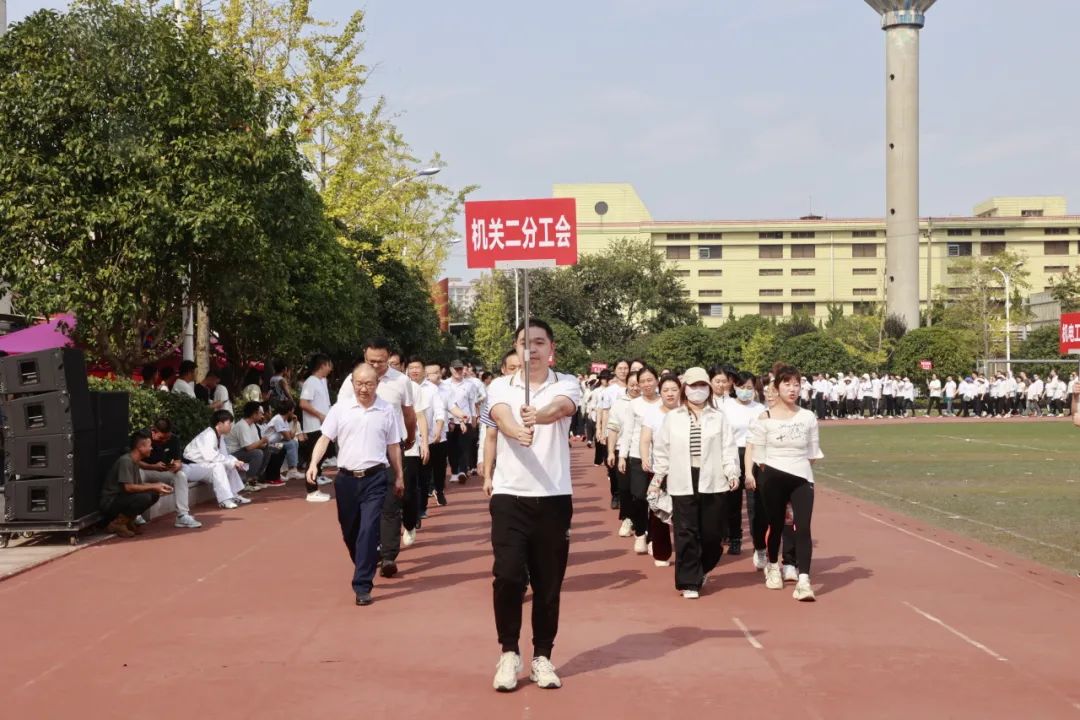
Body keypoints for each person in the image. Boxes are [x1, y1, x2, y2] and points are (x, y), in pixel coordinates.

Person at [486, 319, 580, 692]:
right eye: (526, 343)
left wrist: (538, 417)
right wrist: (516, 429)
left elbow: (561, 408)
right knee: (507, 575)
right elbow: (500, 416)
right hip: (510, 495)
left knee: (548, 582)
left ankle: (543, 655)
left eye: (540, 343)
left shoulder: (566, 382)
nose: (533, 349)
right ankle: (509, 652)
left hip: (554, 496)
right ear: (517, 348)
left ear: (551, 348)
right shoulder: (499, 385)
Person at [310, 363, 404, 607]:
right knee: (350, 531)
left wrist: (399, 475)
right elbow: (324, 438)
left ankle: (362, 585)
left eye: (369, 384)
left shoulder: (386, 411)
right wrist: (313, 464)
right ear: (352, 384)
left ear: (377, 384)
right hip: (346, 480)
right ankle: (368, 559)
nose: (364, 388)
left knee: (368, 529)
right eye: (359, 383)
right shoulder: (340, 409)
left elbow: (393, 445)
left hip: (376, 477)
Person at [651, 367, 739, 599]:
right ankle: (689, 581)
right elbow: (662, 450)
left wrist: (732, 472)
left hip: (713, 479)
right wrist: (658, 477)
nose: (697, 390)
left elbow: (728, 448)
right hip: (682, 478)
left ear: (708, 389)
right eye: (693, 386)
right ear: (685, 389)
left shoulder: (718, 417)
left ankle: (702, 567)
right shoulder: (673, 418)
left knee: (712, 534)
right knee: (685, 532)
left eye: (702, 386)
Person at [338, 339, 417, 579]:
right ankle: (372, 551)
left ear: (389, 358)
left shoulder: (401, 381)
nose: (376, 365)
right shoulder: (350, 382)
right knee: (361, 513)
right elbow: (341, 414)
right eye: (371, 361)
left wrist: (410, 438)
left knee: (391, 501)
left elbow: (408, 414)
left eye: (381, 361)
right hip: (361, 451)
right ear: (364, 356)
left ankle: (389, 556)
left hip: (391, 447)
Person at [746, 365, 823, 602]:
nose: (793, 389)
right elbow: (755, 450)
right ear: (776, 387)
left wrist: (798, 469)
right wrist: (750, 473)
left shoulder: (808, 417)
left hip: (801, 478)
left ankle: (804, 580)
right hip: (772, 477)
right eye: (787, 384)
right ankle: (772, 566)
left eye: (797, 384)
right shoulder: (765, 418)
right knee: (776, 526)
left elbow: (812, 453)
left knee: (803, 527)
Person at [617, 367, 663, 555]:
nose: (646, 384)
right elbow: (627, 431)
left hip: (661, 457)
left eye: (649, 380)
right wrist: (622, 455)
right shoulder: (634, 404)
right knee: (639, 496)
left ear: (657, 380)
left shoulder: (665, 402)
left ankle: (654, 537)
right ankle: (640, 533)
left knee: (658, 499)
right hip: (637, 455)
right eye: (642, 381)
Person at [721, 370, 766, 561]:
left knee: (755, 502)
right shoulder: (725, 406)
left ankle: (758, 544)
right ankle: (735, 537)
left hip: (754, 456)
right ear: (734, 387)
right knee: (732, 500)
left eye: (749, 387)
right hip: (732, 454)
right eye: (741, 387)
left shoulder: (760, 409)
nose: (745, 391)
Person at [639, 373, 682, 567]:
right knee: (658, 510)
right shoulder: (653, 413)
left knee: (683, 510)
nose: (670, 394)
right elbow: (645, 439)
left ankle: (685, 551)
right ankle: (661, 552)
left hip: (684, 469)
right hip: (659, 470)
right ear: (660, 392)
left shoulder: (686, 412)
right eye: (666, 390)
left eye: (674, 389)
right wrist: (645, 458)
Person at [100, 431, 173, 537]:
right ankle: (117, 524)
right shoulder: (126, 461)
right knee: (144, 497)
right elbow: (128, 488)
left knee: (154, 494)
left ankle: (128, 521)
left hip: (121, 499)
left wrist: (158, 485)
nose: (151, 448)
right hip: (110, 503)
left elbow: (138, 486)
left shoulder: (134, 461)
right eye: (149, 446)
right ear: (140, 447)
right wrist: (154, 486)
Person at [140, 418, 202, 529]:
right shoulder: (142, 437)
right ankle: (134, 514)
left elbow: (178, 460)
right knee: (137, 472)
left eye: (167, 437)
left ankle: (182, 515)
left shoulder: (173, 439)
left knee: (181, 475)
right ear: (153, 431)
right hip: (144, 470)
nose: (164, 440)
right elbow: (133, 460)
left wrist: (178, 465)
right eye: (161, 438)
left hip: (161, 472)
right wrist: (152, 466)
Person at [182, 410, 251, 510]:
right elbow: (211, 456)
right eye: (228, 423)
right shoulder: (208, 435)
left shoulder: (220, 436)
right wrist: (230, 462)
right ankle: (224, 500)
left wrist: (235, 462)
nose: (230, 426)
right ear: (219, 424)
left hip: (203, 466)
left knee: (230, 462)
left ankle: (233, 494)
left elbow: (224, 456)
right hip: (190, 467)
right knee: (219, 465)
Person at [606, 371, 640, 537]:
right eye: (632, 384)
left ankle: (642, 521)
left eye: (638, 384)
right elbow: (613, 428)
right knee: (625, 488)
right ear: (626, 384)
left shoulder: (651, 402)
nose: (635, 388)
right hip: (622, 450)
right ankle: (627, 518)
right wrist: (611, 451)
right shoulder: (619, 403)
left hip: (643, 452)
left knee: (641, 490)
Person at [299, 354, 335, 502]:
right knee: (313, 459)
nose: (331, 368)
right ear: (323, 365)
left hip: (324, 425)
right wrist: (319, 415)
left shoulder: (322, 381)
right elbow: (303, 403)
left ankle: (315, 482)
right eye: (329, 364)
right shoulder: (310, 382)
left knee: (321, 456)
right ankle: (312, 491)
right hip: (314, 426)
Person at [226, 401, 272, 492]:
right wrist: (262, 441)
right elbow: (249, 447)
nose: (262, 416)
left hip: (243, 451)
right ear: (254, 414)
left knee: (267, 451)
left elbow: (256, 444)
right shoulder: (242, 425)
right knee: (257, 453)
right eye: (260, 413)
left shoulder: (252, 425)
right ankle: (247, 482)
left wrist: (265, 444)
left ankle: (255, 479)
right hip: (233, 453)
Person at [423, 362, 451, 508]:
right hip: (423, 436)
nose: (437, 375)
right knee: (425, 467)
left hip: (441, 435)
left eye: (438, 372)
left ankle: (439, 490)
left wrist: (461, 418)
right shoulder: (420, 389)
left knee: (440, 467)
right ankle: (425, 494)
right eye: (433, 372)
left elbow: (452, 406)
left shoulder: (446, 388)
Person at [263, 400, 304, 483]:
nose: (293, 411)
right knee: (292, 443)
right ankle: (292, 470)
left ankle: (292, 469)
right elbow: (289, 438)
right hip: (268, 446)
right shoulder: (278, 419)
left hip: (274, 443)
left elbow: (291, 436)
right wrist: (289, 436)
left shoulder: (283, 420)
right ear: (289, 411)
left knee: (294, 442)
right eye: (293, 409)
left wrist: (295, 423)